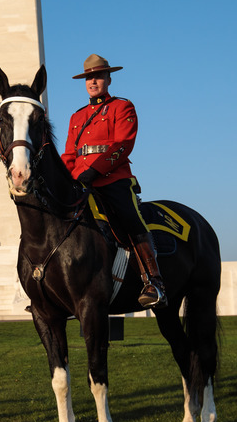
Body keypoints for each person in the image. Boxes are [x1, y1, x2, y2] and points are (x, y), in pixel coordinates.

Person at [62, 54, 166, 308]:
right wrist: (66, 179)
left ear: (108, 79)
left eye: (98, 76)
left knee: (131, 219)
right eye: (88, 78)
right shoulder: (77, 116)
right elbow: (68, 154)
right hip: (80, 182)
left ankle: (153, 281)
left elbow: (123, 145)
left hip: (113, 179)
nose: (93, 81)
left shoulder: (122, 107)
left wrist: (95, 171)